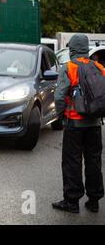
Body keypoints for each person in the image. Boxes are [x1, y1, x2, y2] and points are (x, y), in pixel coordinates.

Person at [52, 34, 104, 213]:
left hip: (75, 122)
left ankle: (72, 202)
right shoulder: (99, 67)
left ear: (72, 48)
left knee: (72, 161)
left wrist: (59, 115)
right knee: (94, 160)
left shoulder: (69, 67)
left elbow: (59, 96)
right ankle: (94, 201)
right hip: (95, 123)